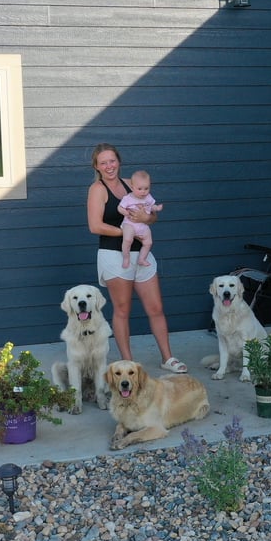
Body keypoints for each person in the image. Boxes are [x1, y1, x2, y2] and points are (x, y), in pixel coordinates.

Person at [87, 143, 187, 373]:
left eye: (112, 160)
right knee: (122, 310)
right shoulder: (97, 189)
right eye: (103, 162)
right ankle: (128, 364)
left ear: (119, 161)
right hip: (115, 255)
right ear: (97, 166)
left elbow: (151, 218)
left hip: (141, 254)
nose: (109, 166)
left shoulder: (132, 184)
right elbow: (95, 226)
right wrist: (126, 232)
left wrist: (145, 218)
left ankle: (168, 358)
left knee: (156, 307)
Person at [117, 169, 163, 269]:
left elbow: (152, 206)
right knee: (128, 239)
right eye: (140, 189)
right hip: (129, 223)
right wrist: (125, 212)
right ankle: (126, 257)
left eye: (146, 188)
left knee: (148, 242)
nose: (143, 192)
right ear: (132, 187)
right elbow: (119, 208)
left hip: (142, 225)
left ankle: (142, 259)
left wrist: (157, 208)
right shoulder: (128, 198)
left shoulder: (148, 197)